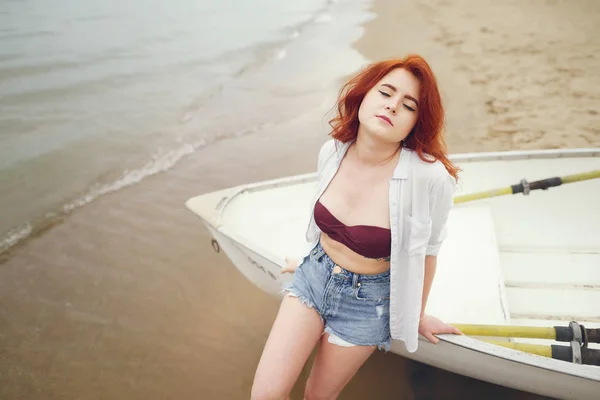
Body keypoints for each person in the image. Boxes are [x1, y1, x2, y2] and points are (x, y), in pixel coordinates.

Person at [251, 54, 463, 400]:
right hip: (312, 277)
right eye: (386, 92)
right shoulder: (333, 151)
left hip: (368, 303)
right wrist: (305, 261)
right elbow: (330, 228)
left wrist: (416, 315)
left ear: (415, 123)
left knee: (317, 396)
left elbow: (429, 250)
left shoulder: (430, 178)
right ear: (364, 95)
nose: (393, 107)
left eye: (408, 106)